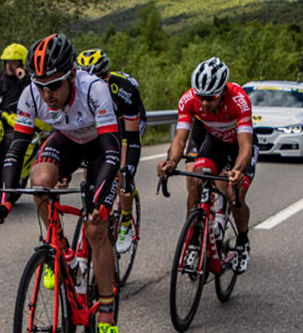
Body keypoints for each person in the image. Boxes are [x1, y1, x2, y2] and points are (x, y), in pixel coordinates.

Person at [0, 33, 123, 333]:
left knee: (95, 229)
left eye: (55, 86)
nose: (47, 95)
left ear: (71, 76)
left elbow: (111, 152)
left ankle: (105, 317)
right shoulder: (33, 93)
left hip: (101, 147)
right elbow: (16, 148)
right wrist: (4, 202)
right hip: (65, 141)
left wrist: (100, 203)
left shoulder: (94, 89)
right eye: (41, 86)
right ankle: (59, 248)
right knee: (39, 180)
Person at [156, 57, 257, 274]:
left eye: (209, 98)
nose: (204, 103)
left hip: (238, 147)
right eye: (200, 97)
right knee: (195, 179)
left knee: (234, 194)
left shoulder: (239, 100)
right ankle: (194, 238)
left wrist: (237, 170)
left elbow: (245, 145)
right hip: (215, 143)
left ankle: (242, 241)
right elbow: (180, 139)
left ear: (222, 91)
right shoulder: (188, 100)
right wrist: (172, 161)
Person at [77, 48, 146, 254]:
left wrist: (124, 168)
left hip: (128, 125)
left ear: (105, 75)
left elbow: (130, 138)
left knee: (123, 173)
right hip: (104, 125)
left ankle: (125, 220)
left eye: (96, 77)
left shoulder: (122, 89)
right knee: (92, 171)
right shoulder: (79, 91)